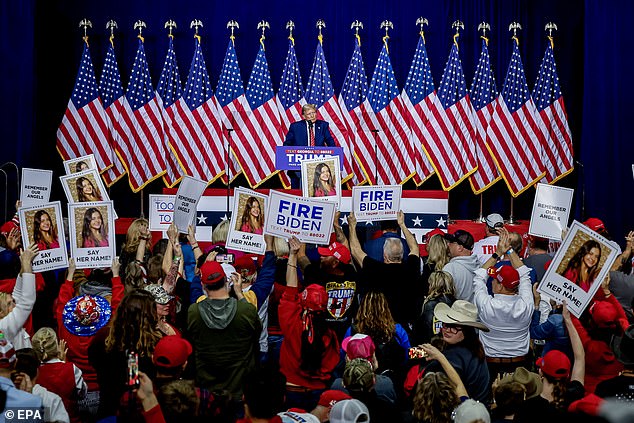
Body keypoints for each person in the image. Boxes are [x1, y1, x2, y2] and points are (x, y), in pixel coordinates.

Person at [187, 255, 261, 409]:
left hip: (206, 390)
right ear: (226, 281)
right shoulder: (244, 310)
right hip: (238, 389)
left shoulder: (194, 311)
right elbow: (257, 331)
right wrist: (240, 294)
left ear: (204, 285)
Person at [279, 236, 339, 411]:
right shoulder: (329, 335)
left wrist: (292, 254)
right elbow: (331, 364)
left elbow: (290, 288)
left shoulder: (290, 320)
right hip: (318, 394)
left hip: (291, 389)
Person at [473, 228, 534, 380]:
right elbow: (524, 274)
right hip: (521, 366)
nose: (492, 282)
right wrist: (509, 251)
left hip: (491, 366)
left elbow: (479, 275)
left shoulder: (487, 305)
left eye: (494, 280)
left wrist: (498, 253)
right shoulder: (526, 305)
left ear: (499, 286)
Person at [347, 210, 422, 328]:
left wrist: (352, 226)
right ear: (402, 255)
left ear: (385, 255)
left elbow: (356, 251)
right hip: (405, 327)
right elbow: (414, 248)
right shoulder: (411, 269)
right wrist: (402, 224)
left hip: (380, 326)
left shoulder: (376, 270)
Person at [431, 300, 491, 402]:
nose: (448, 330)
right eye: (446, 324)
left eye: (455, 327)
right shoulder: (475, 347)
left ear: (466, 332)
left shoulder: (454, 356)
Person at [284, 103, 335, 188]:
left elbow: (330, 141)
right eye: (309, 114)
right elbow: (287, 143)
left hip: (317, 164)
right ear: (304, 116)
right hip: (298, 165)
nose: (312, 116)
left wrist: (334, 153)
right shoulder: (295, 127)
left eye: (314, 113)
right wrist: (287, 152)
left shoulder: (323, 125)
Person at [411, 270, 456, 345]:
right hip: (452, 344)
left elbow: (429, 330)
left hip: (433, 345)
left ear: (432, 285)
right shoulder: (456, 303)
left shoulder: (429, 305)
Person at [443, 229, 480, 301]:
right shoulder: (480, 266)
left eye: (451, 242)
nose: (448, 244)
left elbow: (444, 298)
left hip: (457, 311)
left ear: (460, 248)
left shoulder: (450, 268)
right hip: (475, 311)